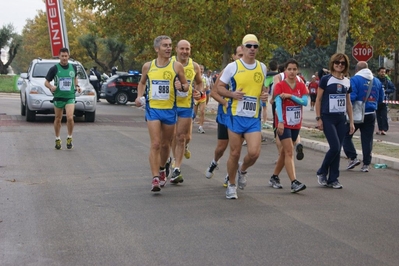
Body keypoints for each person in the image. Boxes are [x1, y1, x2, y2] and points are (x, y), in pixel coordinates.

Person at [135, 35, 189, 192]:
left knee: (166, 144)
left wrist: (181, 87)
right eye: (165, 45)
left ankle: (162, 168)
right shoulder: (148, 66)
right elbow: (142, 82)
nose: (168, 48)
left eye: (170, 45)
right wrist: (139, 96)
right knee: (156, 143)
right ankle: (155, 178)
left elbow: (186, 86)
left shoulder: (177, 66)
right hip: (153, 110)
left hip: (170, 110)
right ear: (157, 48)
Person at [217, 34, 267, 199]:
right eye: (249, 46)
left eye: (255, 46)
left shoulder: (262, 68)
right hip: (235, 115)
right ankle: (231, 185)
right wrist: (232, 94)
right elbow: (219, 88)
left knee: (254, 153)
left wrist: (264, 96)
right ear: (243, 47)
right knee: (235, 152)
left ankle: (242, 169)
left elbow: (261, 90)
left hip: (253, 117)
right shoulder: (233, 67)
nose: (252, 49)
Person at [205, 45, 244, 186]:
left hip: (241, 114)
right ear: (233, 56)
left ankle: (230, 175)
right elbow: (214, 92)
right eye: (239, 55)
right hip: (226, 114)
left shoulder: (250, 70)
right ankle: (214, 162)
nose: (241, 57)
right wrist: (225, 102)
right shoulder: (228, 70)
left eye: (243, 54)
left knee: (236, 148)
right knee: (221, 147)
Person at [315, 53, 355, 189]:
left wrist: (351, 122)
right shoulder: (326, 79)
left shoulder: (347, 81)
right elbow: (318, 100)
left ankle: (333, 179)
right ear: (332, 63)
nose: (340, 65)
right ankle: (322, 171)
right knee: (335, 147)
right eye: (337, 62)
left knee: (338, 150)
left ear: (346, 65)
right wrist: (318, 118)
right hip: (327, 117)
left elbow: (348, 103)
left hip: (341, 118)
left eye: (343, 63)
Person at [269, 58, 308, 193]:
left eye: (294, 69)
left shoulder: (301, 85)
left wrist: (290, 96)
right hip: (283, 123)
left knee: (284, 153)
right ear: (285, 70)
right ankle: (294, 182)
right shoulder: (280, 85)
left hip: (296, 123)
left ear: (297, 71)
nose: (292, 72)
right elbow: (278, 104)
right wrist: (280, 121)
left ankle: (274, 177)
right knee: (289, 151)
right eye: (289, 69)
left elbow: (304, 102)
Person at [169, 40, 203, 184]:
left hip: (186, 105)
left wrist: (199, 93)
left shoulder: (194, 66)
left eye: (187, 49)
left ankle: (178, 158)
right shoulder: (168, 63)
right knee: (175, 136)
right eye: (182, 48)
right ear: (176, 49)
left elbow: (200, 82)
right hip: (169, 105)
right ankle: (176, 167)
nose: (184, 51)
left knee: (184, 137)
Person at [343, 61, 384, 173]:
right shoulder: (377, 81)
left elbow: (351, 97)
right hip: (371, 114)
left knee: (345, 135)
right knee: (367, 140)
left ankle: (353, 157)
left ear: (357, 70)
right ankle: (366, 164)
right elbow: (381, 99)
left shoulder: (354, 80)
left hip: (356, 114)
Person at [44, 47, 82, 150]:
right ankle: (57, 138)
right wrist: (51, 87)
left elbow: (74, 78)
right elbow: (46, 82)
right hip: (58, 97)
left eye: (66, 56)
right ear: (59, 56)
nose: (64, 58)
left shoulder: (73, 67)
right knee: (58, 119)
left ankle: (69, 137)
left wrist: (77, 86)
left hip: (70, 96)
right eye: (62, 56)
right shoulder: (54, 69)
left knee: (70, 117)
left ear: (68, 56)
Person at [375, 67, 396, 135]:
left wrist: (386, 91)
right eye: (381, 72)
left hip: (384, 101)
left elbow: (393, 88)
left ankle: (384, 129)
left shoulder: (387, 81)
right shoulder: (375, 80)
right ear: (378, 72)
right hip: (377, 101)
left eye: (384, 72)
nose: (383, 73)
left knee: (384, 115)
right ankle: (380, 129)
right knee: (378, 116)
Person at [262, 60, 278, 129]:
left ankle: (265, 122)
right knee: (264, 109)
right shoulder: (274, 76)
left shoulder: (268, 75)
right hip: (264, 95)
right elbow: (265, 87)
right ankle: (264, 122)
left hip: (265, 95)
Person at [193, 65, 207, 133]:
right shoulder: (195, 76)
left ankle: (201, 127)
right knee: (194, 113)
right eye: (200, 69)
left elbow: (207, 87)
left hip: (203, 97)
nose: (201, 70)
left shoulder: (205, 78)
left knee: (202, 111)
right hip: (196, 96)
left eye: (202, 69)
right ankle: (191, 123)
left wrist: (202, 91)